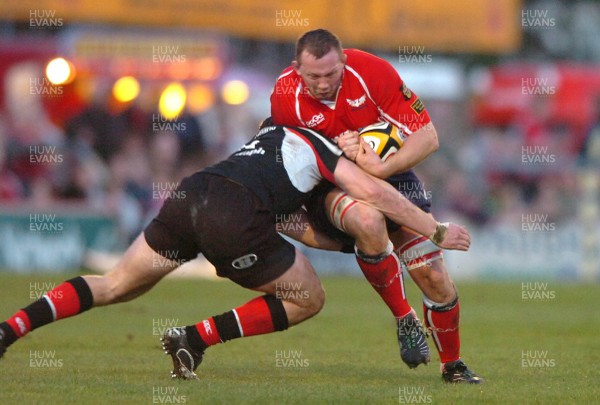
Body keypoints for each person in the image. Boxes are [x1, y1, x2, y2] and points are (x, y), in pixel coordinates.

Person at [0, 124, 471, 380]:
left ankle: (10, 328)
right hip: (233, 216)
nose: (355, 148)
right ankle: (195, 337)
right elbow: (379, 194)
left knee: (116, 285)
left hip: (193, 195)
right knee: (309, 296)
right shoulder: (324, 147)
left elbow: (295, 225)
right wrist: (434, 230)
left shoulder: (269, 135)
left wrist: (351, 243)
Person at [270, 29, 483, 383]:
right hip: (331, 184)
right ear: (297, 69)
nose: (323, 84)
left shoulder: (373, 73)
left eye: (331, 74)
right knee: (367, 219)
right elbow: (289, 157)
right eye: (313, 76)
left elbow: (427, 136)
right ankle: (404, 317)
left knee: (434, 277)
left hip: (391, 176)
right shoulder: (283, 95)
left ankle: (453, 367)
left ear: (344, 62)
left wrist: (381, 167)